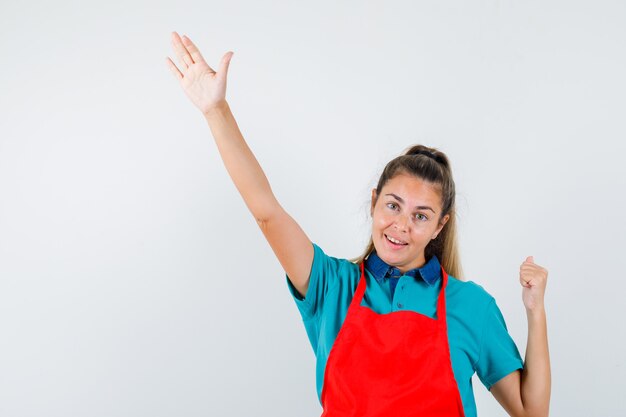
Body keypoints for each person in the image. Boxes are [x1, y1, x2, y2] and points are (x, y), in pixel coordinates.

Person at [165, 31, 551, 417]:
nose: (401, 225)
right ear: (374, 202)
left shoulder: (471, 306)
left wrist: (534, 310)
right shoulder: (331, 287)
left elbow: (532, 413)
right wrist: (217, 111)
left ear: (439, 226)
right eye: (393, 206)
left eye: (421, 216)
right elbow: (266, 211)